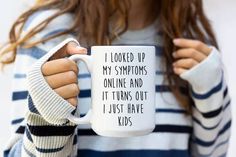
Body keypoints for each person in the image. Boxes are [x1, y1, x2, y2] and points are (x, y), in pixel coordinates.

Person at [0, 0, 231, 156]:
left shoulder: (188, 37)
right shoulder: (50, 32)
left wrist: (211, 89)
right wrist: (48, 119)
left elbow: (212, 153)